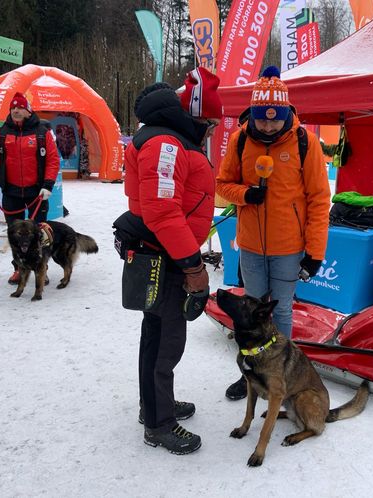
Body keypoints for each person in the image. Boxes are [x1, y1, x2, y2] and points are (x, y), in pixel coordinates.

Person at [119, 67, 222, 455]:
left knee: (158, 336)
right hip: (165, 257)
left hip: (165, 252)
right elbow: (163, 212)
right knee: (165, 341)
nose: (211, 132)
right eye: (209, 124)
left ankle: (155, 405)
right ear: (195, 115)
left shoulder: (173, 140)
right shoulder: (167, 144)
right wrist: (193, 267)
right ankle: (159, 423)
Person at [216, 66, 331, 400]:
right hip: (251, 245)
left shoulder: (305, 143)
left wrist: (315, 253)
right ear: (252, 114)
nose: (267, 126)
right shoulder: (240, 141)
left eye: (274, 119)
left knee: (280, 311)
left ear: (286, 114)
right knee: (251, 311)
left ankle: (277, 373)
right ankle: (250, 372)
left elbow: (319, 200)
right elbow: (223, 184)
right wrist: (246, 195)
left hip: (288, 246)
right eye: (261, 119)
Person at [0, 92, 60, 284]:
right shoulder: (2, 133)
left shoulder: (42, 132)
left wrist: (48, 185)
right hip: (11, 191)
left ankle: (42, 269)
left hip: (37, 192)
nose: (16, 111)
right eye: (13, 108)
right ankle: (19, 269)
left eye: (20, 108)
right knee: (16, 235)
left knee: (40, 234)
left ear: (28, 111)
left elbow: (52, 159)